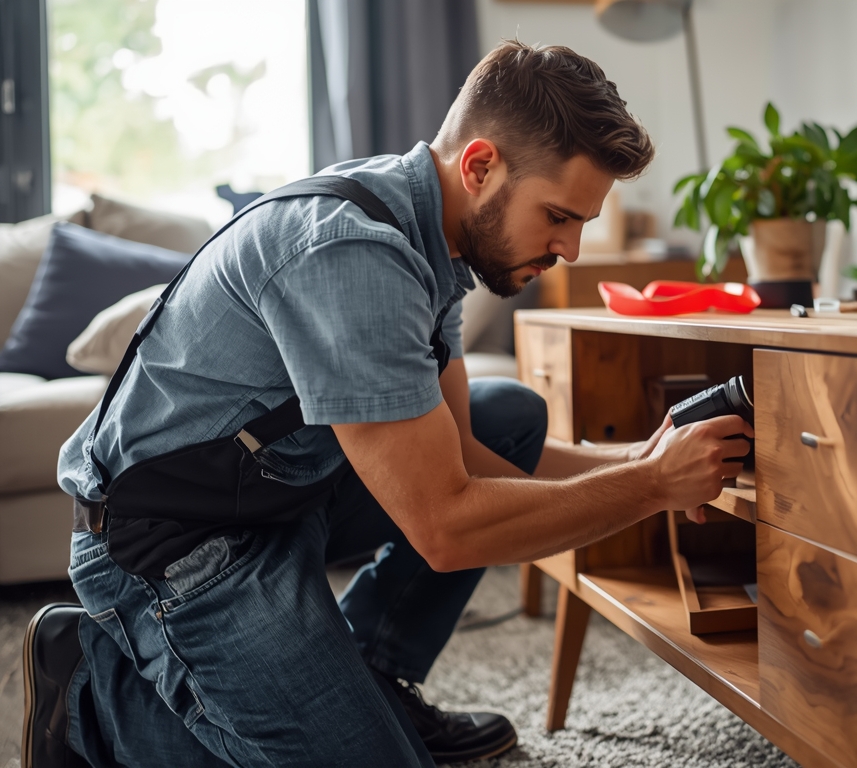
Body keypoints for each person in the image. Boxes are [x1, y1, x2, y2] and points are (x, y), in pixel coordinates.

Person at [21, 40, 751, 768]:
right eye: (560, 215)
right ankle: (91, 693)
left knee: (511, 418)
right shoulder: (355, 255)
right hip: (172, 545)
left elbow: (462, 450)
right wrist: (650, 486)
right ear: (480, 166)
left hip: (276, 493)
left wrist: (635, 459)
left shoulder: (433, 237)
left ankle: (369, 665)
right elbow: (447, 526)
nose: (574, 249)